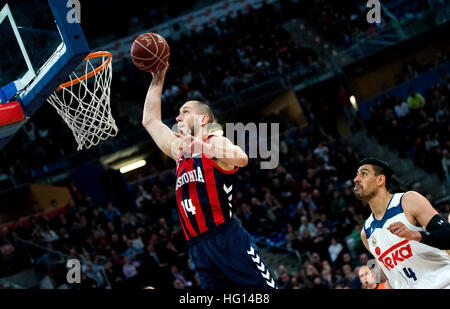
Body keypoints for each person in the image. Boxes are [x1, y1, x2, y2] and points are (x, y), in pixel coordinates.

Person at [141, 63, 277, 289]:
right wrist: (158, 77)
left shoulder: (213, 141)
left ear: (203, 119)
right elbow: (150, 121)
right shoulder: (179, 151)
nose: (178, 116)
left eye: (185, 111)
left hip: (227, 239)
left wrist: (200, 147)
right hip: (198, 247)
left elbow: (241, 157)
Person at [354, 157, 450, 288]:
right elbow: (383, 274)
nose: (356, 179)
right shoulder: (366, 233)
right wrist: (369, 272)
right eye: (356, 175)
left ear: (380, 179)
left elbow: (448, 235)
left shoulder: (408, 201)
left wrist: (417, 235)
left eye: (363, 174)